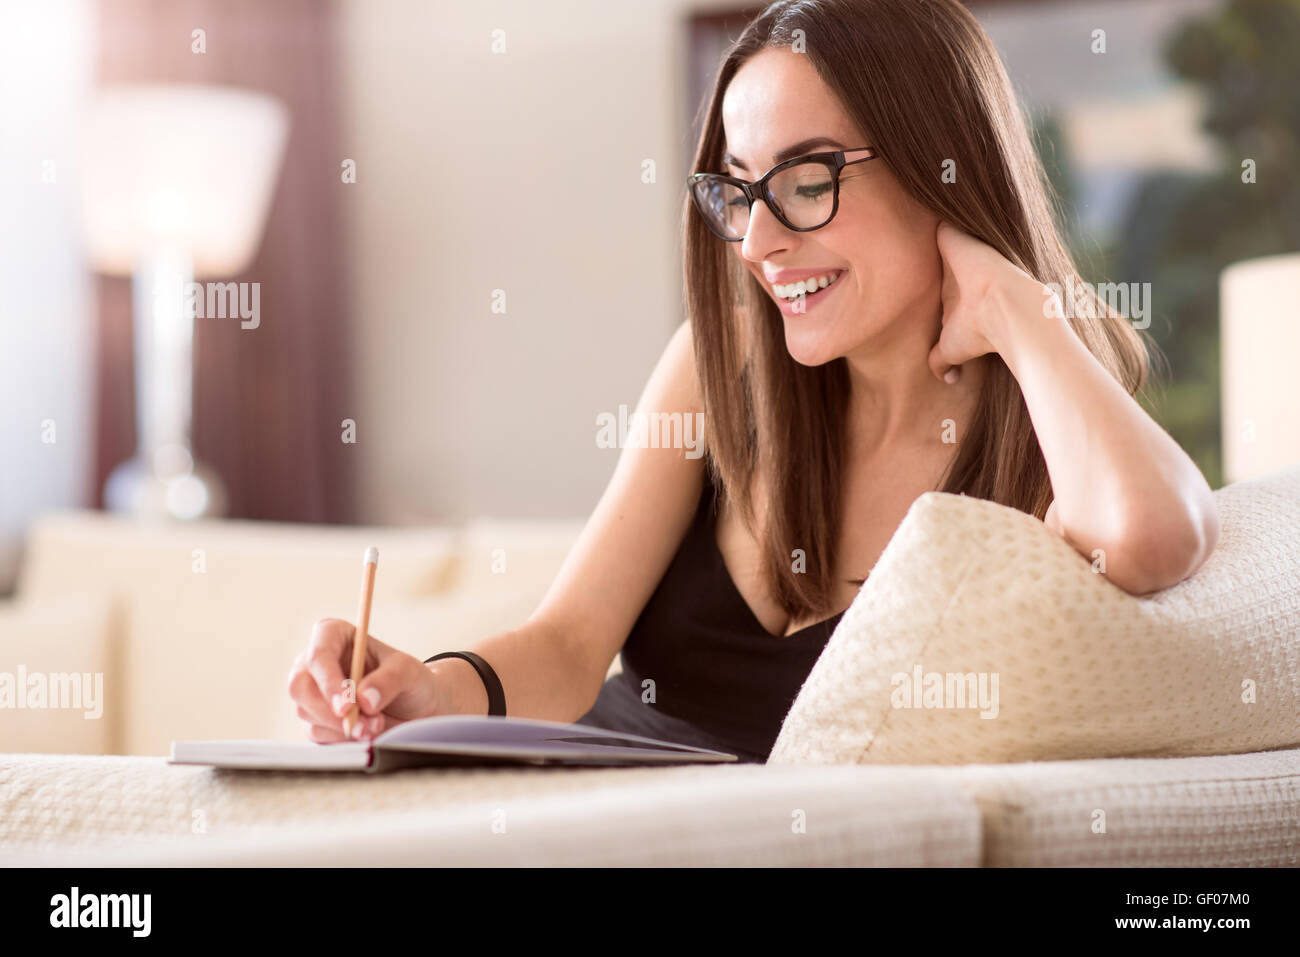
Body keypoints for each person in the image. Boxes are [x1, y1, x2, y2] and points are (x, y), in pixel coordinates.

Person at [287, 0, 1219, 763]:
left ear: (944, 165)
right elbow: (571, 645)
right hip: (584, 814)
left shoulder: (1047, 416)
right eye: (737, 189)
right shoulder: (717, 363)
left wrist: (1018, 309)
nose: (761, 242)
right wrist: (429, 689)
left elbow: (1156, 536)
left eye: (807, 181)